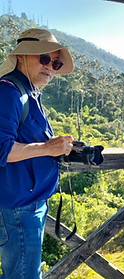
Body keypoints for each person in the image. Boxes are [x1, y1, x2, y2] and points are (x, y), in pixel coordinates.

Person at [0, 28, 75, 279]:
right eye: (44, 59)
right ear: (21, 56)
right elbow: (1, 148)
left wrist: (56, 146)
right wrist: (47, 148)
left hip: (30, 205)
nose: (51, 68)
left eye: (55, 63)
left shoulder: (29, 93)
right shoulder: (9, 93)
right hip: (19, 208)